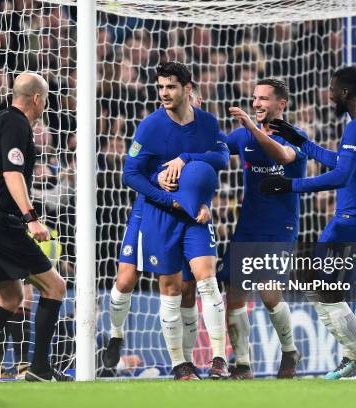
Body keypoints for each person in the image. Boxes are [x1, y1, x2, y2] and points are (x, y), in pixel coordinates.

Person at [262, 66, 356, 380]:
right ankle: (353, 360)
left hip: (351, 218)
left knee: (321, 287)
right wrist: (301, 141)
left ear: (345, 92)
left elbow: (341, 175)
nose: (328, 94)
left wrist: (290, 186)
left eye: (332, 89)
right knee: (336, 290)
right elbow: (341, 162)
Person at [0, 72, 70, 383]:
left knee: (10, 297)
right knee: (55, 286)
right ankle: (40, 369)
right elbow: (12, 173)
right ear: (36, 98)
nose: (45, 105)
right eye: (45, 100)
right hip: (0, 219)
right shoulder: (17, 123)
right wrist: (31, 218)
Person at [122, 62, 229, 380]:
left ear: (187, 88)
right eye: (160, 87)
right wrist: (168, 198)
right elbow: (130, 174)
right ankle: (180, 363)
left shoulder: (207, 122)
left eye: (170, 86)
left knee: (206, 281)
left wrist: (186, 158)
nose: (164, 93)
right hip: (162, 214)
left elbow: (221, 158)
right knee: (171, 288)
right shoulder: (150, 126)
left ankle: (219, 360)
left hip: (197, 215)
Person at [104, 84, 209, 375]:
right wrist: (157, 178)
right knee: (125, 279)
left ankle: (183, 362)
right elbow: (133, 171)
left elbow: (209, 174)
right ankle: (116, 333)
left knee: (183, 289)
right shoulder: (153, 128)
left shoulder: (205, 135)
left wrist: (204, 203)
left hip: (185, 214)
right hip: (149, 209)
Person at [221, 78, 305, 379]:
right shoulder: (243, 135)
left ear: (281, 104)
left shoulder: (296, 136)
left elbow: (282, 155)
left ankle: (289, 351)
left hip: (279, 226)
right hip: (248, 226)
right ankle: (242, 364)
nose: (256, 104)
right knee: (235, 297)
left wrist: (250, 128)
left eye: (264, 99)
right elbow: (214, 146)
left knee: (270, 294)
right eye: (254, 98)